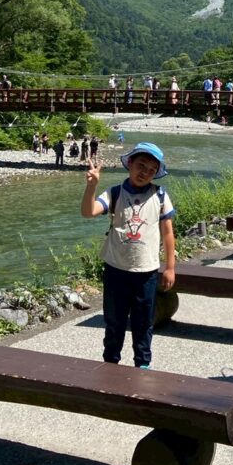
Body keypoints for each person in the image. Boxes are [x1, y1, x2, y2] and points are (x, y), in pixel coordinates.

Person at [81, 142, 176, 369]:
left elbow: (168, 233)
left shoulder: (160, 196)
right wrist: (91, 186)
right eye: (141, 165)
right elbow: (88, 212)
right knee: (114, 323)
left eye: (151, 170)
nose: (145, 172)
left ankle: (142, 366)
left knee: (144, 323)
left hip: (147, 272)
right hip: (116, 270)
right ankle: (110, 364)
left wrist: (170, 267)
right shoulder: (114, 193)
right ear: (130, 163)